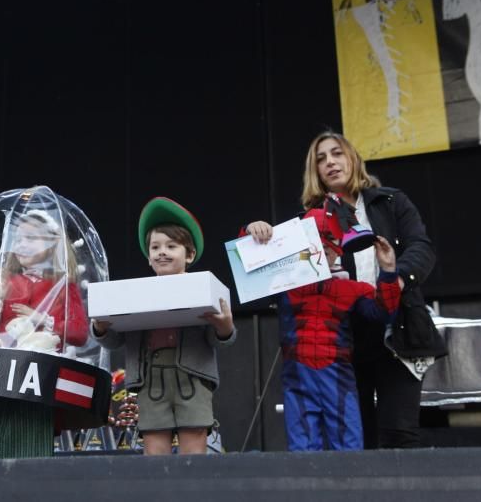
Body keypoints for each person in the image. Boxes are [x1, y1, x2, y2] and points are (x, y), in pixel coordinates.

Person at [246, 131, 436, 449]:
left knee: (400, 435)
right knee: (356, 439)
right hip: (342, 343)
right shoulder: (305, 223)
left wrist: (395, 277)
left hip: (398, 328)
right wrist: (253, 234)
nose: (330, 162)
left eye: (337, 153)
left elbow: (421, 247)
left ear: (352, 158)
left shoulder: (391, 201)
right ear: (314, 171)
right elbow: (259, 271)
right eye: (321, 159)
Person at [93, 197, 235, 456]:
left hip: (191, 377)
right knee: (154, 445)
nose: (162, 252)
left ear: (189, 254)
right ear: (148, 258)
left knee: (194, 442)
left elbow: (217, 338)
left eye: (172, 246)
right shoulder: (135, 295)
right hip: (150, 380)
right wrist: (102, 328)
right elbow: (116, 340)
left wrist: (224, 327)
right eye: (155, 247)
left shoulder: (202, 290)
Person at [278, 204, 402, 451]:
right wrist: (253, 232)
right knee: (302, 451)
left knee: (348, 449)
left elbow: (384, 314)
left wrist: (388, 271)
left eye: (330, 240)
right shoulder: (283, 283)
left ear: (341, 244)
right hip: (298, 378)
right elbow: (249, 267)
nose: (323, 247)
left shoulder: (354, 289)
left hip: (337, 378)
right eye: (315, 238)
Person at [0, 210, 89, 352]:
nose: (22, 245)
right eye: (17, 240)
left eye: (30, 238)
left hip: (47, 366)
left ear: (52, 243)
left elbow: (80, 334)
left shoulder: (64, 286)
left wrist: (42, 319)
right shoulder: (6, 283)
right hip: (6, 364)